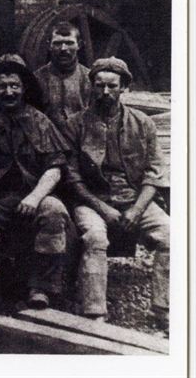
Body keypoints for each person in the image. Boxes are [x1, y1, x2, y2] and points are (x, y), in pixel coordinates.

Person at [62, 57, 169, 328]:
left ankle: (163, 308)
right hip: (93, 200)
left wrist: (137, 209)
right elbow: (72, 178)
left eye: (112, 86)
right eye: (99, 86)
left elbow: (155, 172)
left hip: (134, 198)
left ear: (124, 88)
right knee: (95, 237)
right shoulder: (76, 124)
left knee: (172, 236)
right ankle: (95, 313)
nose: (105, 92)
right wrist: (102, 208)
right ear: (92, 87)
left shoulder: (143, 123)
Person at [0, 54, 71, 312]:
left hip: (32, 196)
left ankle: (41, 289)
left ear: (24, 88)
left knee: (55, 211)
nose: (9, 92)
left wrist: (35, 197)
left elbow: (55, 168)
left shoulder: (40, 121)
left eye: (14, 86)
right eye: (2, 86)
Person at [34, 21, 92, 128]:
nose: (63, 49)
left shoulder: (90, 78)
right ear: (49, 45)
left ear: (79, 45)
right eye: (57, 43)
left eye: (69, 43)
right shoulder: (36, 79)